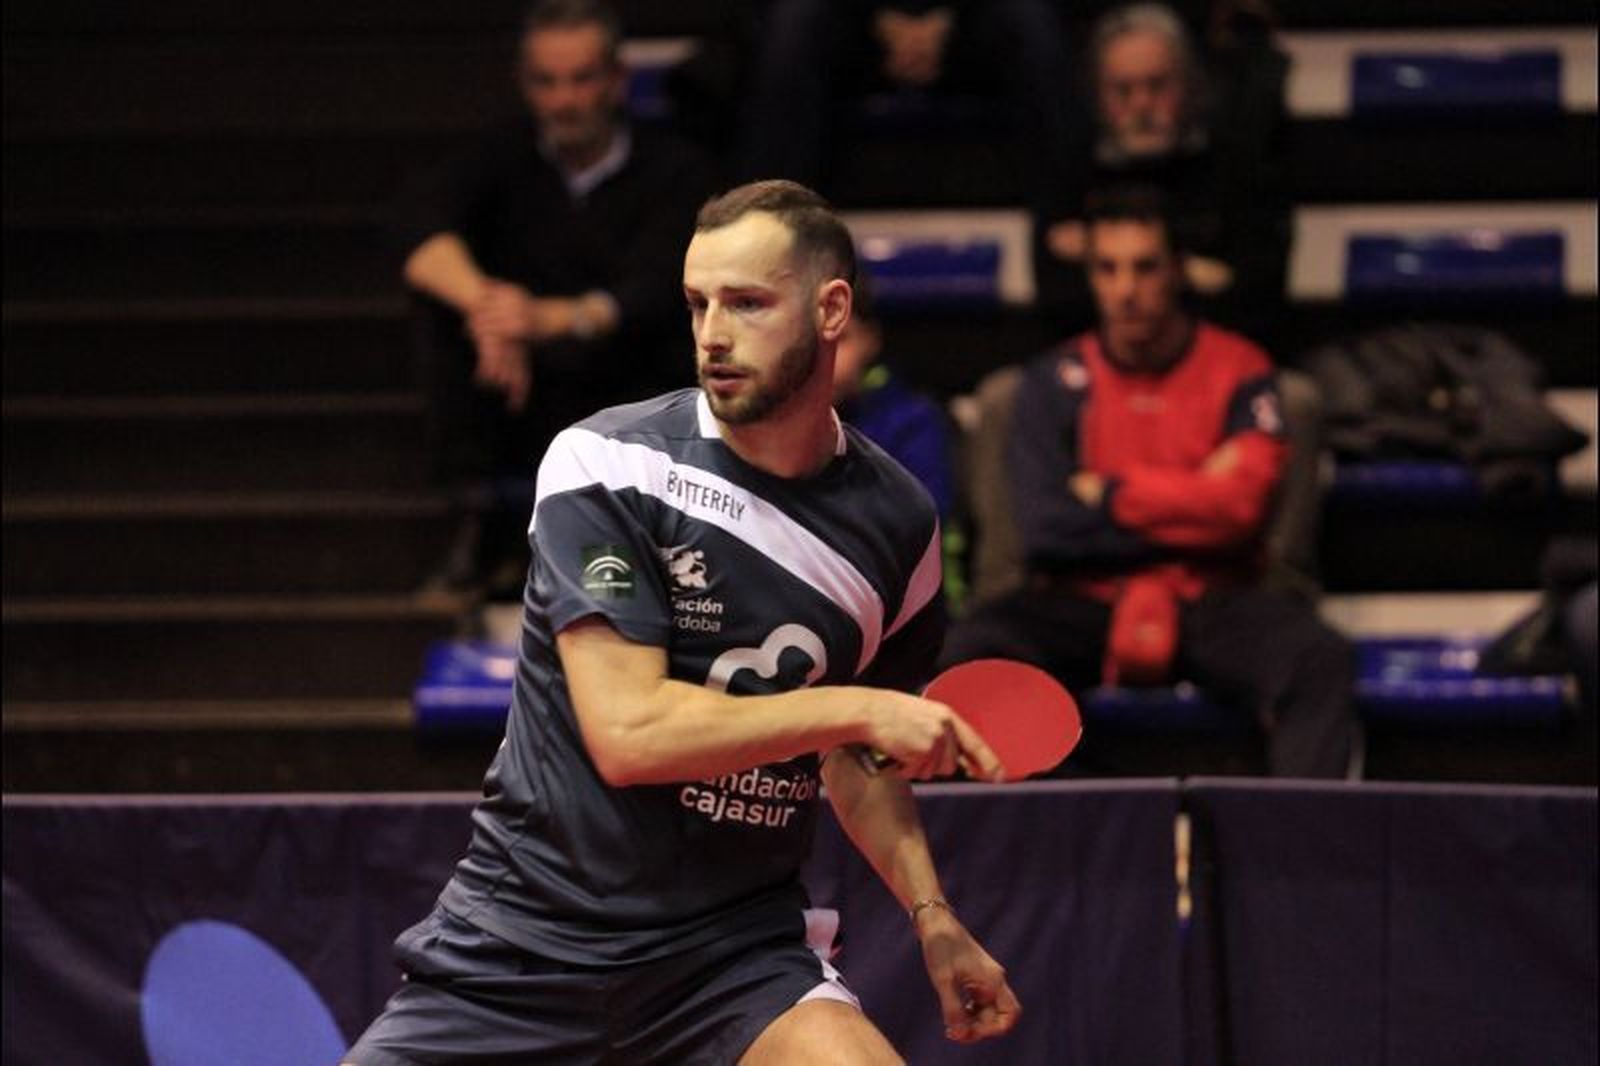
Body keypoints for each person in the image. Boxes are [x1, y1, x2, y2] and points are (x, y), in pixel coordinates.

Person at [344, 180, 1021, 1064]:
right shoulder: (608, 466)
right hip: (525, 947)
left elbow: (863, 764)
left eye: (746, 303)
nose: (712, 334)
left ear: (832, 309)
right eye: (697, 303)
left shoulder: (899, 525)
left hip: (733, 963)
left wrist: (934, 917)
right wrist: (856, 710)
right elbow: (630, 733)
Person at [942, 184, 1357, 779]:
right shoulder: (1052, 381)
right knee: (972, 659)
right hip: (1084, 600)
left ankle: (1293, 859)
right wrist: (1191, 500)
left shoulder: (1242, 370)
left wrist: (1110, 494)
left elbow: (1240, 514)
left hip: (1210, 598)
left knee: (1321, 658)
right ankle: (1091, 831)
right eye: (1107, 269)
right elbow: (1046, 530)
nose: (1126, 290)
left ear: (1179, 269)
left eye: (1145, 268)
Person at [394, 0, 716, 593]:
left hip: (627, 374)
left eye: (581, 79)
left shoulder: (675, 167)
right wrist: (487, 307)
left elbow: (657, 287)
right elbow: (418, 230)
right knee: (440, 312)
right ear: (524, 85)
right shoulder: (499, 155)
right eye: (546, 82)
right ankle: (483, 525)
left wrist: (555, 318)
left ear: (616, 79)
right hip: (522, 382)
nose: (564, 101)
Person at [735, 1, 1087, 255]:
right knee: (796, 22)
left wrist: (947, 18)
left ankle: (1063, 220)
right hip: (860, 25)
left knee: (1031, 20)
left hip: (966, 24)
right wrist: (879, 17)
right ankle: (772, 218)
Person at [1039, 2, 1291, 345]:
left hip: (1215, 361)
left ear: (1189, 85)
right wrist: (1190, 273)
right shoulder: (1071, 170)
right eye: (1123, 90)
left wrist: (1098, 253)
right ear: (1098, 95)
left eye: (1157, 86)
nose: (1141, 104)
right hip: (1101, 371)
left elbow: (1257, 294)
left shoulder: (1233, 162)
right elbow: (1057, 301)